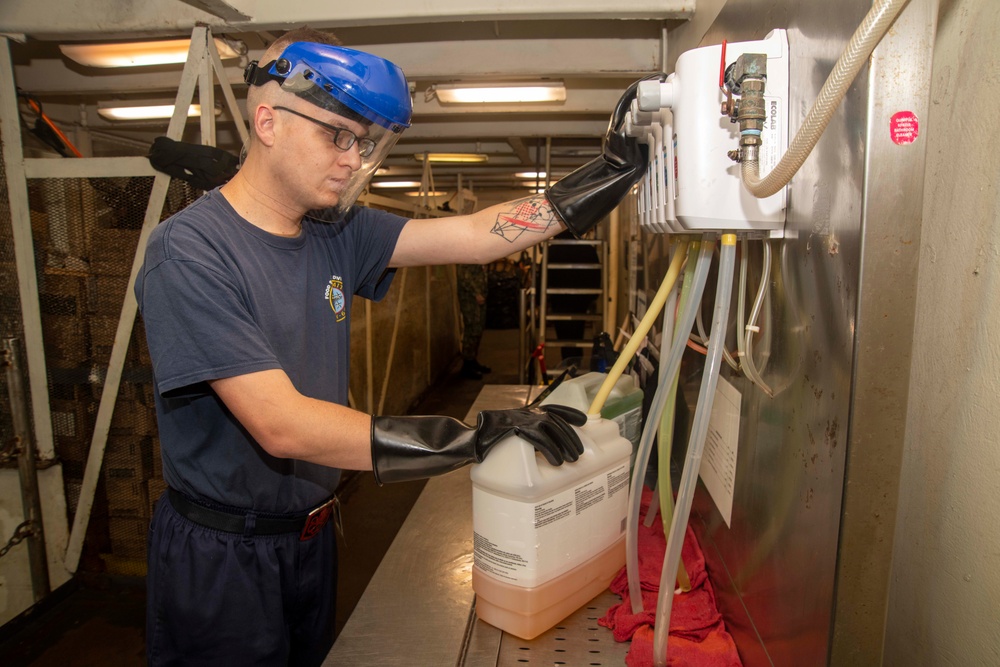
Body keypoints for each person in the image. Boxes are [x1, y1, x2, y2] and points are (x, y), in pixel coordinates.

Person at [135, 26, 649, 667]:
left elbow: (472, 237)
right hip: (223, 558)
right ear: (268, 121)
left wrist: (600, 181)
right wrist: (472, 438)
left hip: (313, 539)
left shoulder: (333, 230)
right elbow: (281, 425)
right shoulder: (190, 251)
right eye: (338, 136)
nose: (354, 160)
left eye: (366, 143)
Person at [456, 262, 491, 379]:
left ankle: (472, 360)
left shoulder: (477, 256)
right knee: (471, 329)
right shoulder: (465, 257)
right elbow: (463, 276)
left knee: (478, 329)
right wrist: (476, 293)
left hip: (479, 298)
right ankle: (467, 364)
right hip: (470, 300)